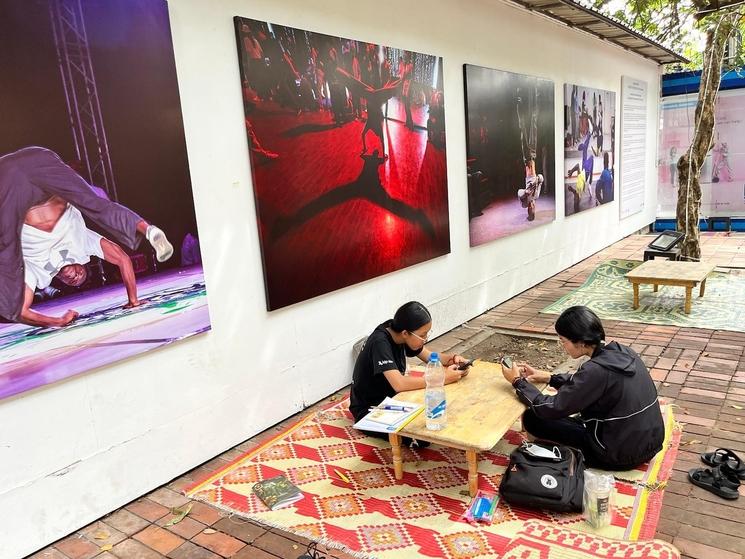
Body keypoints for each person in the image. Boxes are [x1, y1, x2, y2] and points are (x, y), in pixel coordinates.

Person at [0, 146, 173, 326]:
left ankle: (148, 230)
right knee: (94, 203)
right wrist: (133, 299)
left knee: (6, 248)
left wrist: (58, 321)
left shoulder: (39, 274)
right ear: (83, 265)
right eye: (80, 275)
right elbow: (122, 259)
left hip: (7, 179)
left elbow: (21, 311)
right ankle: (149, 230)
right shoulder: (84, 245)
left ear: (59, 280)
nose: (74, 278)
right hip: (39, 161)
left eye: (72, 282)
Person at [500, 305, 664, 470]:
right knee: (575, 412)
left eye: (563, 340)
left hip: (616, 455)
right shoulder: (623, 352)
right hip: (650, 444)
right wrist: (550, 378)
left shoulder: (595, 371)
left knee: (533, 417)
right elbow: (588, 383)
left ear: (580, 341)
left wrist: (517, 381)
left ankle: (545, 457)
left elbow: (550, 408)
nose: (562, 345)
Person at [349, 301, 470, 442]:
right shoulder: (380, 342)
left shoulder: (399, 332)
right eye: (423, 335)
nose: (425, 339)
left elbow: (431, 357)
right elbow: (399, 384)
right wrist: (442, 378)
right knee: (422, 437)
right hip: (370, 409)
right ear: (405, 333)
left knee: (441, 410)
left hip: (394, 399)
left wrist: (453, 359)